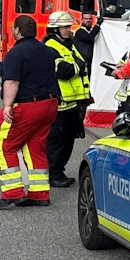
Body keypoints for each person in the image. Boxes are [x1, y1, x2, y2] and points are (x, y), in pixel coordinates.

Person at [0, 15, 60, 210]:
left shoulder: (16, 53)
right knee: (35, 147)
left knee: (4, 145)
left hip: (28, 105)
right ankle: (39, 193)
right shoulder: (47, 51)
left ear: (17, 31)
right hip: (49, 104)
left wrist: (7, 106)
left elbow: (12, 81)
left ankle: (12, 193)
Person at [43, 12, 90, 189]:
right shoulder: (50, 47)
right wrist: (78, 66)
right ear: (55, 28)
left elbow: (80, 62)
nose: (68, 30)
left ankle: (59, 171)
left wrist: (77, 66)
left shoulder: (69, 44)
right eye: (65, 27)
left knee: (68, 139)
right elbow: (63, 70)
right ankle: (52, 173)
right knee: (57, 140)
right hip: (60, 104)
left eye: (69, 27)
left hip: (73, 103)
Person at [71, 11, 102, 80]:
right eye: (86, 19)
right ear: (82, 20)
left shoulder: (91, 30)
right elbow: (90, 38)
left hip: (91, 61)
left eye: (90, 19)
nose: (88, 20)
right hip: (84, 62)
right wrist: (97, 25)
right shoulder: (79, 32)